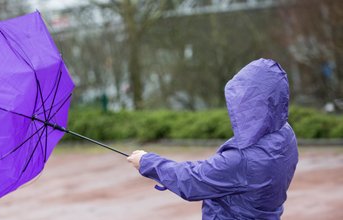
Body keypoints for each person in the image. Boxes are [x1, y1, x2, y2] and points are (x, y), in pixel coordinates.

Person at [127, 58, 299, 219]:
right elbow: (218, 170)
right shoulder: (285, 134)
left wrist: (146, 161)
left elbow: (192, 181)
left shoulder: (243, 160)